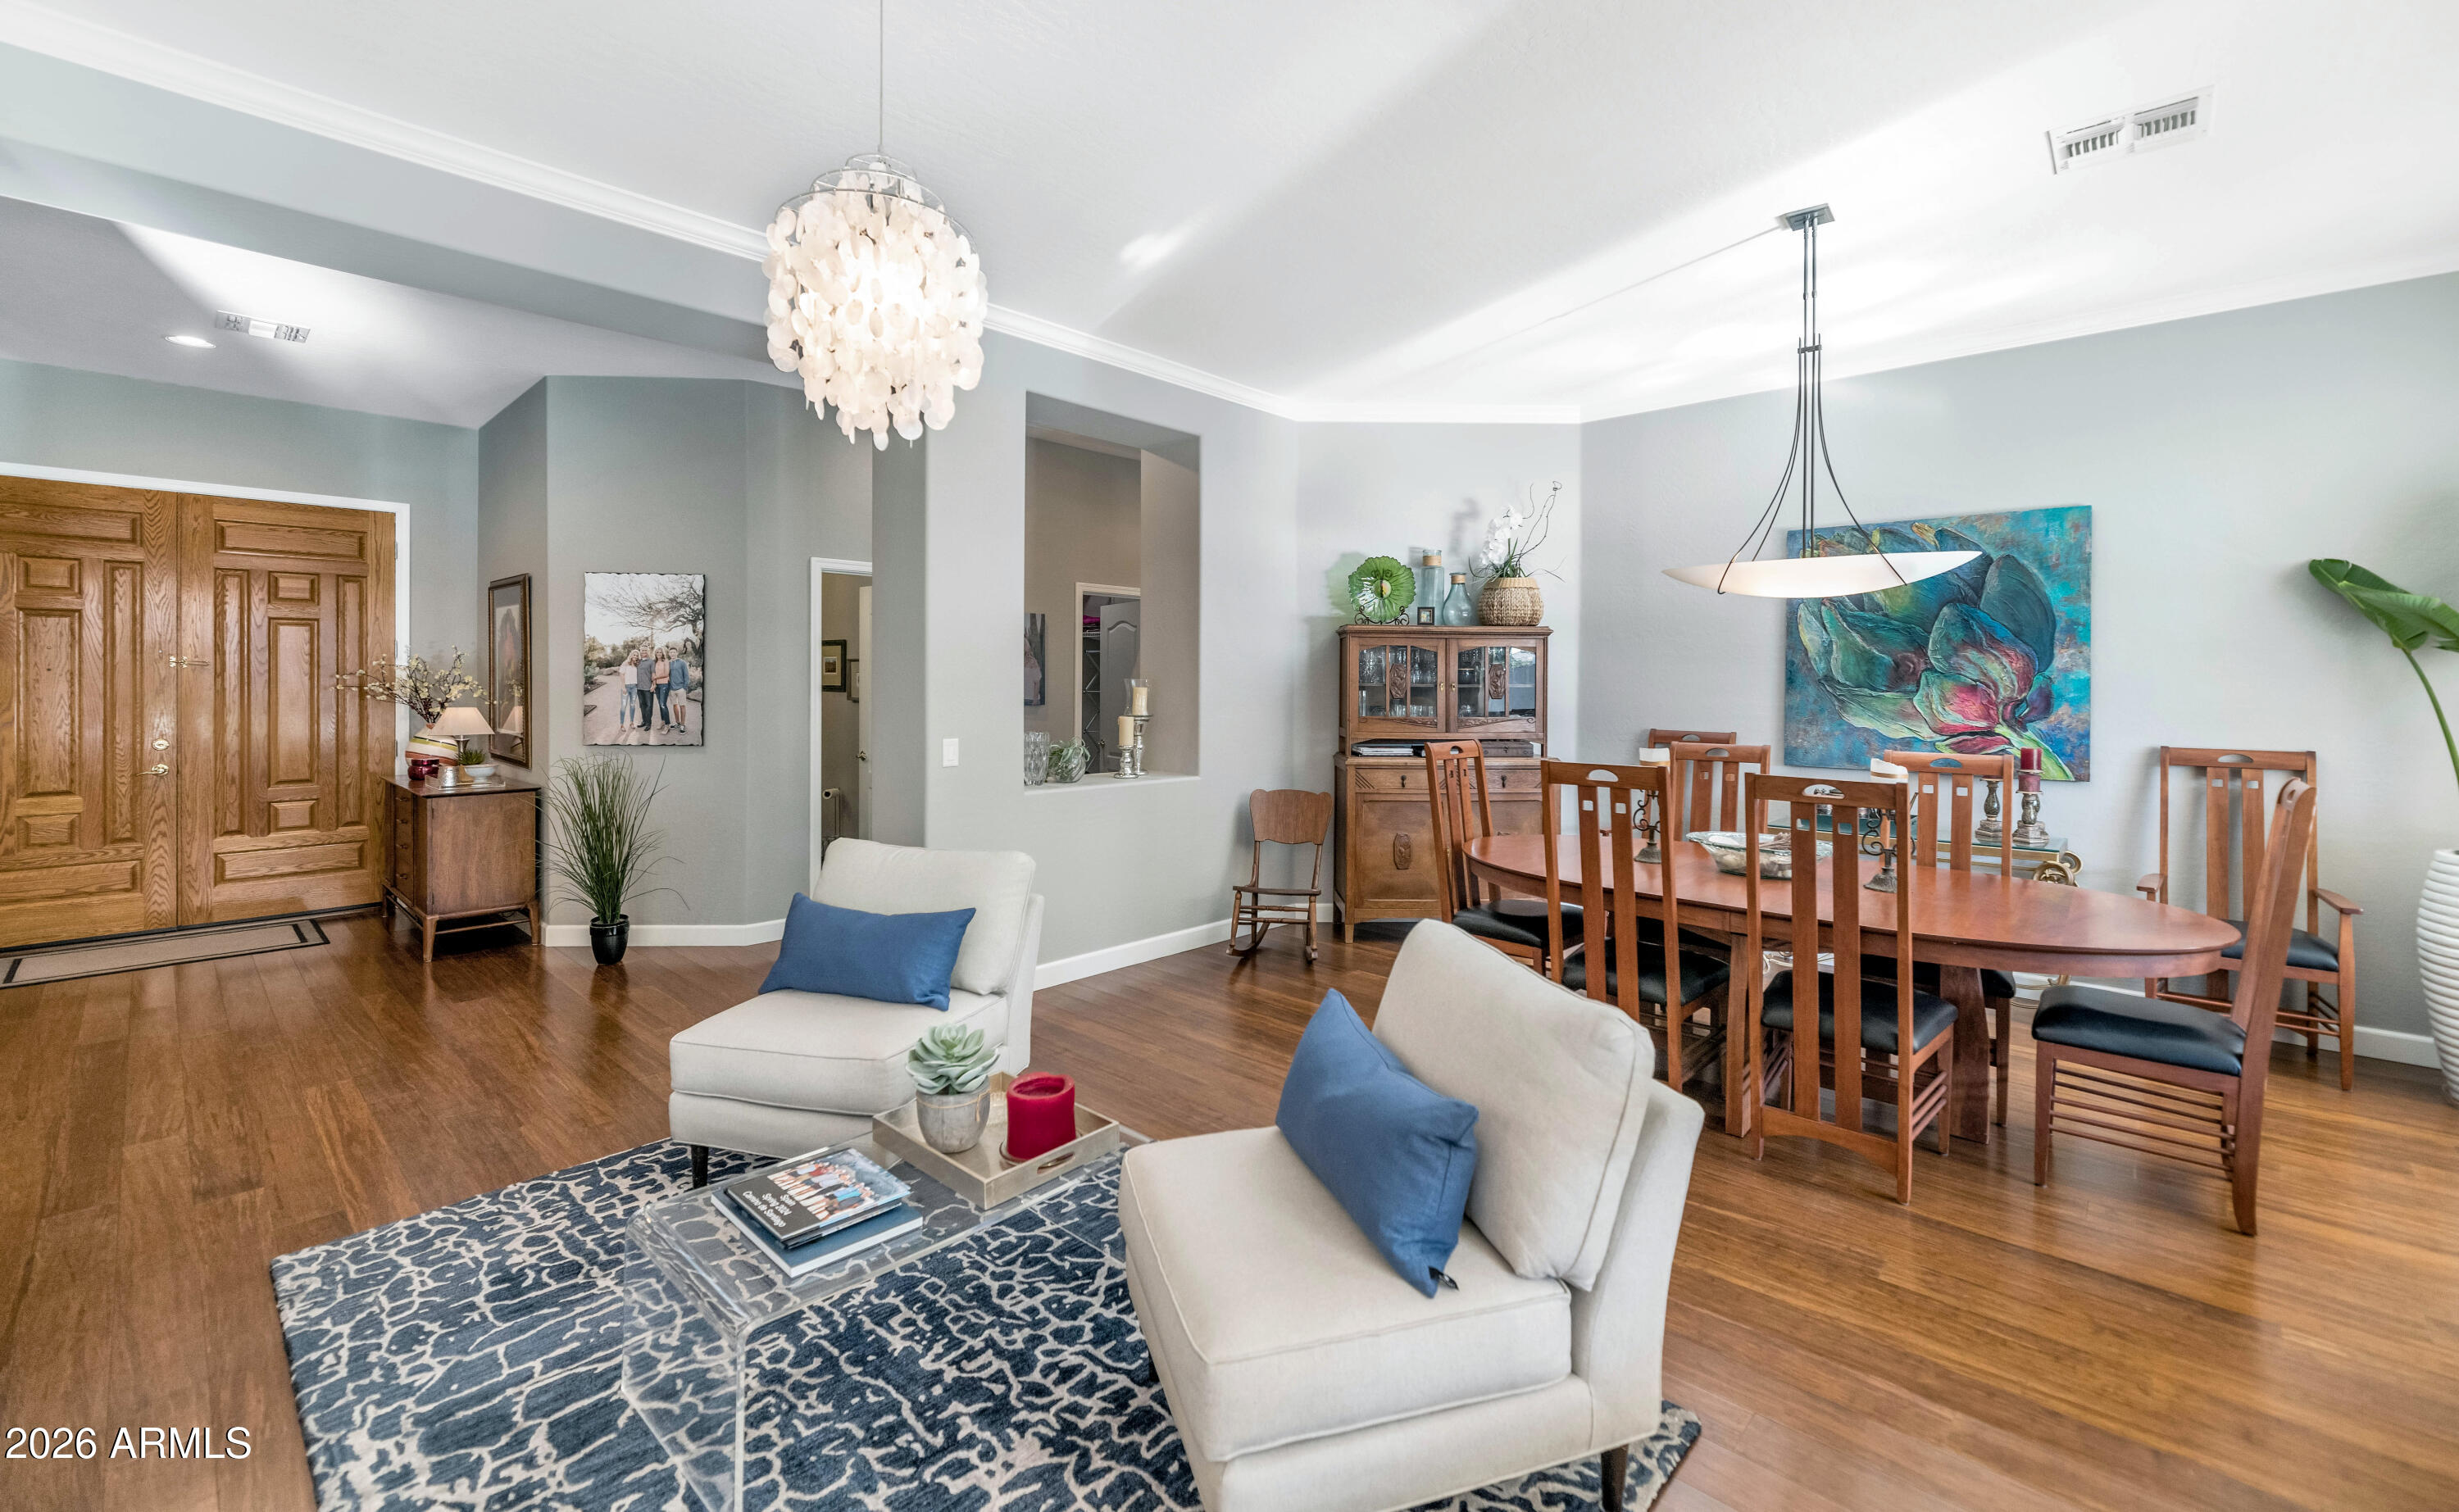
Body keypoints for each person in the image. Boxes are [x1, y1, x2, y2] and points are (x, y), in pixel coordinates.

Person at [666, 651, 693, 737]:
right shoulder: (668, 663)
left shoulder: (682, 663)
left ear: (677, 653)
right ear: (669, 654)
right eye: (671, 652)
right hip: (672, 689)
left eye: (674, 652)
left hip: (681, 688)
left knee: (682, 705)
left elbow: (687, 676)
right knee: (675, 705)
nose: (672, 654)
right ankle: (677, 723)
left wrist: (684, 687)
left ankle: (682, 725)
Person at [634, 650, 656, 732]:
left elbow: (653, 674)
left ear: (648, 652)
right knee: (642, 705)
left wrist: (654, 684)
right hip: (639, 687)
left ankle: (648, 723)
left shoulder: (651, 661)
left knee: (649, 706)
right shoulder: (638, 662)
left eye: (645, 651)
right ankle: (644, 721)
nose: (644, 652)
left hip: (648, 687)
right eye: (642, 650)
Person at [651, 649, 673, 730]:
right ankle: (663, 721)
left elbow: (666, 673)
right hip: (657, 685)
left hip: (665, 684)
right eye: (657, 652)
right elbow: (653, 674)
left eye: (660, 652)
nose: (659, 653)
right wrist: (654, 684)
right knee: (660, 704)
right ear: (655, 653)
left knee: (663, 704)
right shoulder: (654, 662)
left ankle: (667, 725)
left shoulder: (666, 661)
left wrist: (656, 677)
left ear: (663, 653)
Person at [617, 652, 639, 730]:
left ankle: (632, 722)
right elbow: (621, 674)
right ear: (631, 655)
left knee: (632, 705)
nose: (635, 656)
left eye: (637, 655)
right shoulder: (626, 663)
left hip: (634, 688)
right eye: (634, 655)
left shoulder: (636, 664)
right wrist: (623, 687)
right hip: (626, 687)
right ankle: (622, 724)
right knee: (623, 706)